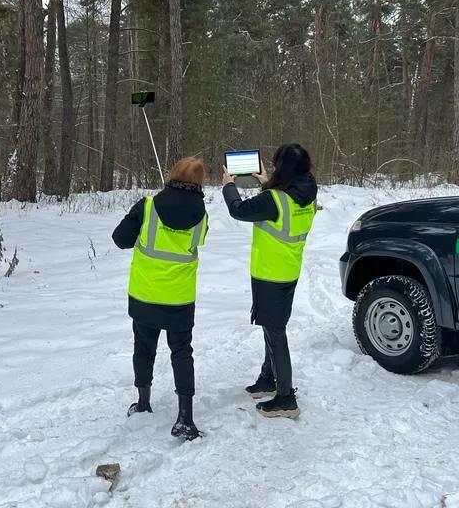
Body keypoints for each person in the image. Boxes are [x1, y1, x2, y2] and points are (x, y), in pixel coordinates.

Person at [111, 157, 209, 440]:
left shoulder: (148, 206)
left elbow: (120, 239)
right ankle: (185, 417)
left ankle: (143, 402)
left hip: (145, 294)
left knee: (144, 348)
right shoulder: (202, 213)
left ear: (172, 174)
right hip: (179, 297)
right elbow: (200, 240)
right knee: (182, 352)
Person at [222, 144, 317, 419]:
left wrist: (229, 185)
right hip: (289, 271)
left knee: (275, 332)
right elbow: (283, 204)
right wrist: (266, 182)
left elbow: (239, 210)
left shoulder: (274, 199)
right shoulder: (306, 192)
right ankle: (268, 378)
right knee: (271, 325)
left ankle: (286, 398)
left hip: (269, 273)